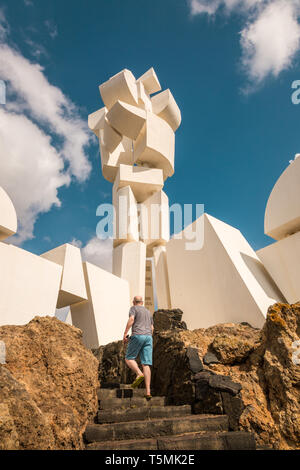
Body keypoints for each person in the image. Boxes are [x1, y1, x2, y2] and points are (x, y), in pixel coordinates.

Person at [123, 296, 154, 399]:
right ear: (142, 302)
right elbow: (152, 328)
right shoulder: (148, 312)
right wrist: (148, 337)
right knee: (146, 364)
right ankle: (148, 392)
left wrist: (125, 333)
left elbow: (131, 319)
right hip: (149, 337)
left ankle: (139, 373)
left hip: (138, 335)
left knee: (129, 358)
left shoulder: (133, 308)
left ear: (134, 302)